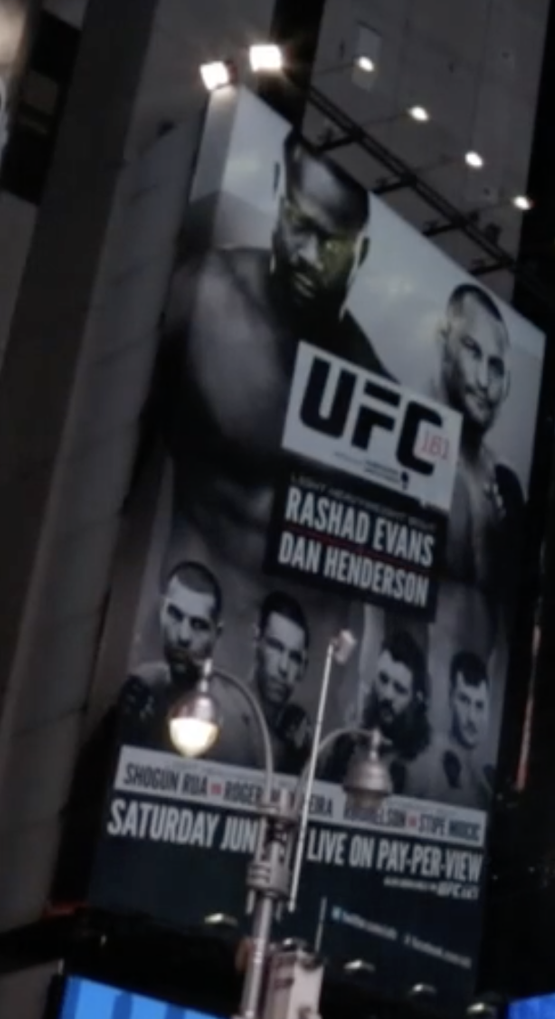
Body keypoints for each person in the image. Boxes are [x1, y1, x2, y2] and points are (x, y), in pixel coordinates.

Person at [156, 128, 390, 584]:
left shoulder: (375, 390)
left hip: (308, 644)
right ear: (279, 199)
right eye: (300, 225)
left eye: (333, 244)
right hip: (177, 606)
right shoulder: (207, 294)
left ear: (360, 253)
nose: (310, 256)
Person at [431, 284, 525, 662]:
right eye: (473, 352)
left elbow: (509, 625)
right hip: (398, 693)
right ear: (444, 344)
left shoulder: (505, 485)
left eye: (497, 367)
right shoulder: (405, 446)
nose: (485, 382)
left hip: (479, 711)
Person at [114, 562, 224, 751]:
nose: (183, 636)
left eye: (198, 625)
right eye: (174, 614)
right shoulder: (140, 683)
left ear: (217, 634)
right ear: (161, 611)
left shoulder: (235, 717)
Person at [216, 590, 315, 772]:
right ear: (256, 640)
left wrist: (295, 758)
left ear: (303, 667)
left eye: (294, 657)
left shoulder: (296, 739)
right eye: (275, 647)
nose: (284, 667)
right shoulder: (221, 706)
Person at [325, 629, 432, 795]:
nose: (387, 695)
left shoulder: (423, 771)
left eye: (399, 689)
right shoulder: (344, 747)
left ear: (416, 700)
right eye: (383, 679)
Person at [435, 651, 497, 803]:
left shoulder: (485, 780)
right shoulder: (430, 760)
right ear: (451, 697)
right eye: (464, 700)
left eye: (479, 705)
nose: (472, 717)